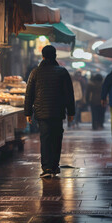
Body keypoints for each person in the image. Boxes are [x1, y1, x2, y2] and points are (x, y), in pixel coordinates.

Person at [24, 45, 75, 178]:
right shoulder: (62, 72)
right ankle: (54, 166)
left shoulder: (35, 72)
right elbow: (69, 94)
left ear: (43, 56)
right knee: (57, 138)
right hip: (58, 112)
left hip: (42, 112)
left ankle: (46, 168)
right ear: (55, 56)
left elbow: (29, 93)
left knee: (45, 138)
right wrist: (71, 112)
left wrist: (28, 112)